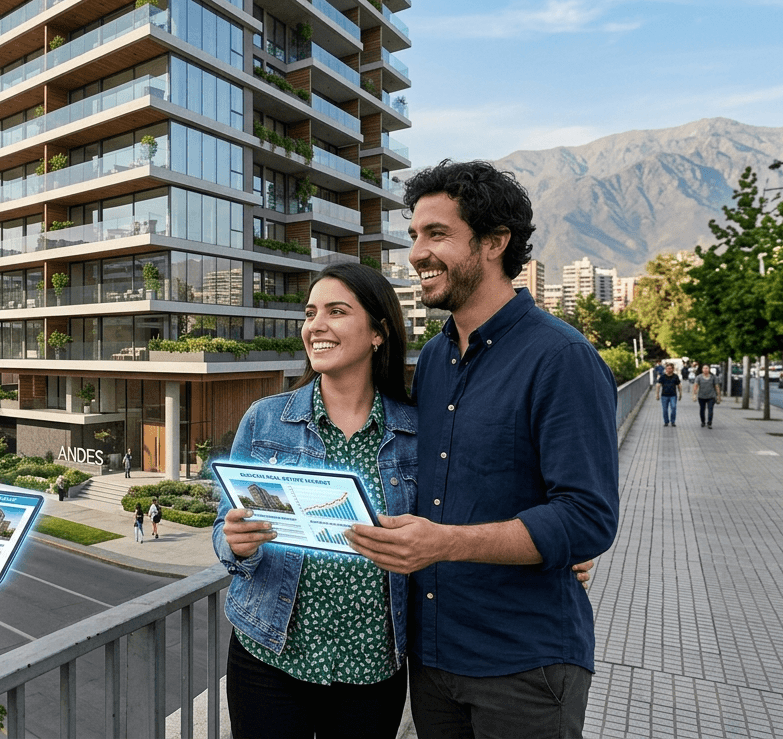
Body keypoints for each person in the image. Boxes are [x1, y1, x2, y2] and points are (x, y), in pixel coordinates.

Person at [347, 160, 618, 738]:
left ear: (495, 243)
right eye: (414, 235)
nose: (416, 253)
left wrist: (446, 543)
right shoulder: (436, 359)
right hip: (435, 661)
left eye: (437, 234)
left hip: (526, 665)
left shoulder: (560, 358)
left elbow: (588, 517)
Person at [214, 263, 419, 738]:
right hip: (268, 655)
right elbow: (223, 528)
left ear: (378, 333)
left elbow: (455, 522)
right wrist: (237, 543)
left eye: (337, 311)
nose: (315, 325)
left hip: (371, 667)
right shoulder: (264, 420)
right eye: (310, 313)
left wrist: (547, 556)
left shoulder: (417, 432)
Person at [657, 362, 682, 426]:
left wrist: (680, 393)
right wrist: (657, 394)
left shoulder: (675, 376)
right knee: (665, 409)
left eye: (670, 368)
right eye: (667, 368)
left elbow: (679, 385)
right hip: (664, 396)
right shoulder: (662, 377)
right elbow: (658, 385)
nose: (668, 370)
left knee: (673, 408)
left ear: (673, 369)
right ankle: (666, 421)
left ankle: (673, 421)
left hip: (673, 395)